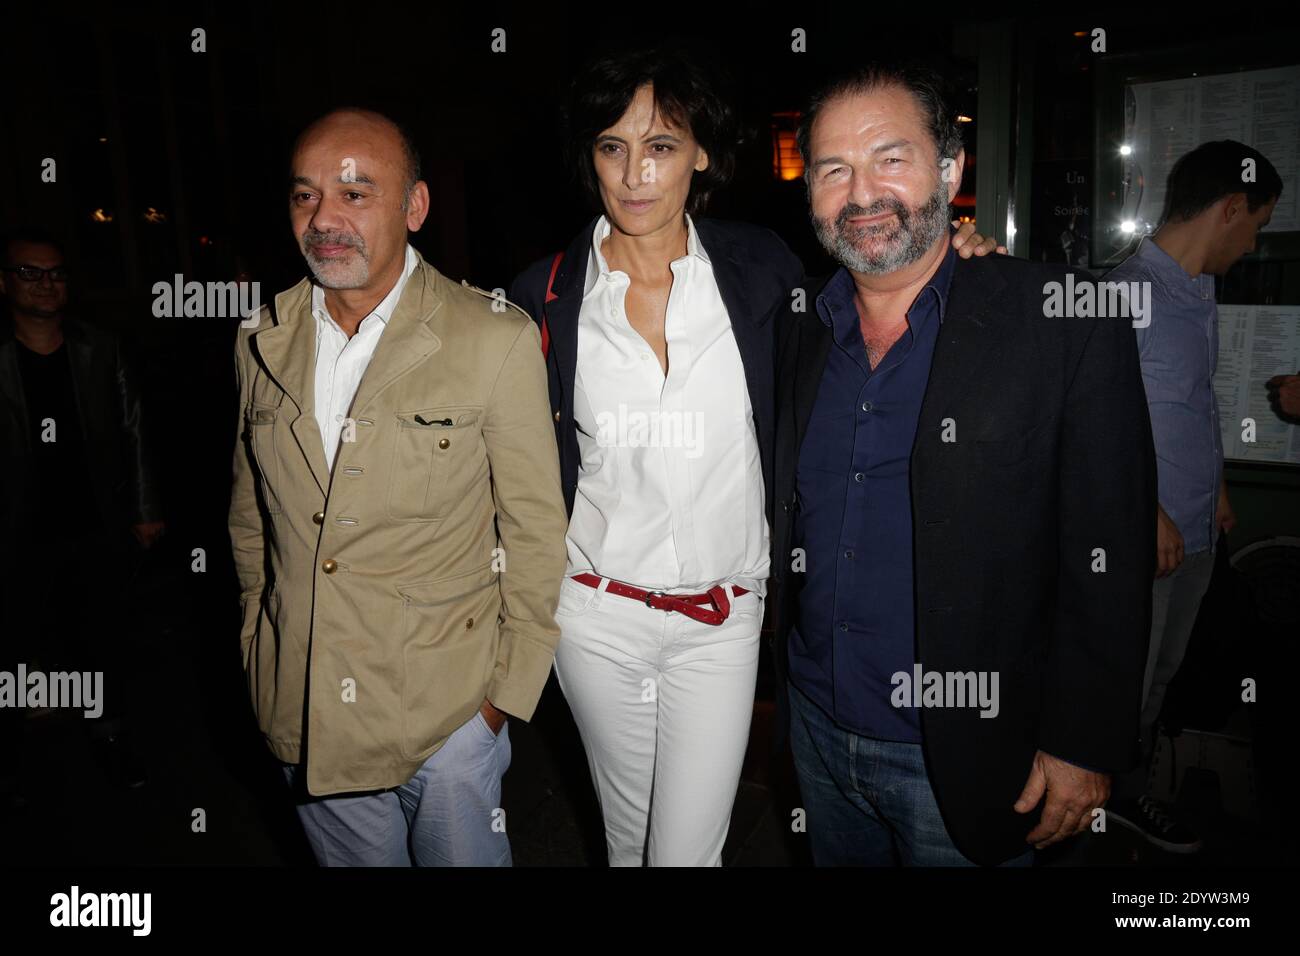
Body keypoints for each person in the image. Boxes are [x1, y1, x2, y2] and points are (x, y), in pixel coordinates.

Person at [509, 48, 998, 866]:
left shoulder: (762, 270)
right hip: (595, 619)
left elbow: (879, 286)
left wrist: (959, 254)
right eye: (611, 147)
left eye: (661, 146)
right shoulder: (544, 294)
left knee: (686, 853)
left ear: (699, 153)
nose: (634, 174)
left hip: (720, 622)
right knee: (626, 842)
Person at [771, 63, 1156, 866]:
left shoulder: (1064, 324)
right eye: (834, 169)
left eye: (891, 159)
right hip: (812, 725)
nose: (861, 193)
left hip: (980, 753)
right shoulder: (794, 328)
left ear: (949, 170)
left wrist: (1084, 742)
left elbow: (1109, 552)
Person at [228, 107, 568, 866]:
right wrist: (260, 648)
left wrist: (497, 706)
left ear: (414, 207)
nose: (324, 219)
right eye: (305, 195)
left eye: (355, 193)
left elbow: (537, 536)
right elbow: (251, 521)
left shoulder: (493, 337)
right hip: (307, 712)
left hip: (445, 724)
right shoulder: (259, 339)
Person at [1104, 140, 1282, 852]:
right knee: (1128, 678)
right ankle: (1108, 801)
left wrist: (1218, 488)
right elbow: (1093, 419)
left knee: (1161, 678)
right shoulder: (1123, 294)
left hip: (1197, 529)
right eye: (1257, 225)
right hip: (1144, 532)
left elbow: (1191, 400)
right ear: (1230, 207)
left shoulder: (1199, 290)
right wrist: (1146, 510)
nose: (1254, 243)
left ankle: (1127, 791)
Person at [0, 228, 163, 798]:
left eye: (56, 273)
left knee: (101, 639)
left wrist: (145, 508)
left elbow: (135, 428)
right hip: (17, 531)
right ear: (5, 281)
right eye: (29, 272)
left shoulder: (100, 347)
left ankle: (111, 738)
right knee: (18, 636)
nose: (46, 284)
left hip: (94, 521)